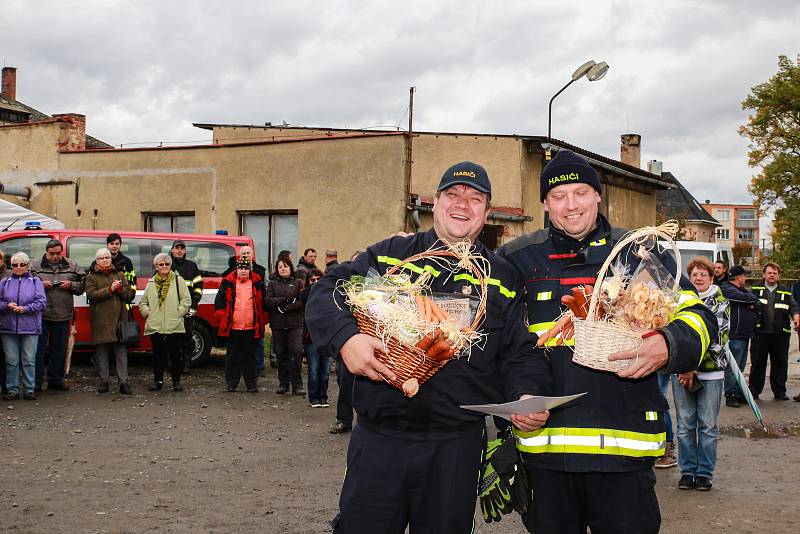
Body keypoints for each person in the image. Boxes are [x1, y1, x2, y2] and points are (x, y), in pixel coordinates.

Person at [306, 161, 550, 533]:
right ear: (434, 203)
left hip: (456, 446)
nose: (462, 204)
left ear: (486, 212)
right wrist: (346, 338)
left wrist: (527, 396)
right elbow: (326, 293)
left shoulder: (502, 277)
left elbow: (520, 354)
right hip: (380, 439)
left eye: (475, 198)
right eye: (452, 194)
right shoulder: (391, 255)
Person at [498, 149, 717, 533]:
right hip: (546, 461)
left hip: (623, 456)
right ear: (545, 204)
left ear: (598, 196)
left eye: (580, 192)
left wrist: (668, 343)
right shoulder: (516, 258)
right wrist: (517, 398)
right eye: (558, 196)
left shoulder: (640, 253)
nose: (571, 206)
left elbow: (700, 319)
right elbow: (500, 341)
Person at [673, 256, 729, 491]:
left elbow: (719, 338)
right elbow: (674, 333)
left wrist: (692, 364)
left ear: (711, 277)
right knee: (685, 425)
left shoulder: (721, 302)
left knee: (707, 426)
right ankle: (687, 472)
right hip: (682, 373)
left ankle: (704, 473)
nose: (698, 278)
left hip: (711, 374)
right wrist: (684, 366)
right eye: (694, 275)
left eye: (703, 275)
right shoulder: (680, 300)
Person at [30, 239, 85, 392]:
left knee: (59, 351)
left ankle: (56, 380)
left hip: (63, 314)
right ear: (46, 252)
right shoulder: (34, 265)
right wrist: (39, 285)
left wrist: (72, 285)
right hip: (40, 315)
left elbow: (83, 285)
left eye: (58, 254)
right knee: (38, 351)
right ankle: (36, 382)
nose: (55, 257)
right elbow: (26, 286)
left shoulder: (72, 265)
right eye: (52, 254)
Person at [84, 247, 136, 395]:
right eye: (101, 258)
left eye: (107, 257)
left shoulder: (119, 273)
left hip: (120, 319)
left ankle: (123, 382)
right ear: (97, 261)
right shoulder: (91, 276)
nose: (105, 260)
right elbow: (92, 295)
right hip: (101, 319)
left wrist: (120, 290)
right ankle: (104, 381)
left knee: (121, 351)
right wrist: (110, 290)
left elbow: (129, 295)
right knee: (101, 352)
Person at [139, 253, 192, 392]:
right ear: (156, 266)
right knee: (158, 356)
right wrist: (148, 314)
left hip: (173, 325)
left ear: (170, 265)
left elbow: (186, 300)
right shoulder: (151, 283)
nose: (164, 266)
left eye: (167, 264)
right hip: (156, 325)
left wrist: (178, 313)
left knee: (175, 355)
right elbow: (143, 303)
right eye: (161, 264)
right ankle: (158, 381)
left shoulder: (178, 280)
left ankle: (176, 381)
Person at [748, 262, 800, 401]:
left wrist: (796, 318)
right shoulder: (755, 289)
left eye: (774, 273)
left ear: (778, 275)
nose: (772, 275)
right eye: (769, 273)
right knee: (758, 363)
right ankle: (754, 390)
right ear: (764, 274)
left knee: (780, 363)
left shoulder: (786, 291)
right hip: (760, 334)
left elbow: (793, 306)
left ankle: (779, 391)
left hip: (780, 335)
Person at [215, 257, 267, 393]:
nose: (243, 271)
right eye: (240, 268)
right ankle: (232, 383)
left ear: (249, 269)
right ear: (236, 269)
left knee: (250, 357)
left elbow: (264, 303)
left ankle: (251, 384)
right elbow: (219, 301)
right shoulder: (228, 282)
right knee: (233, 356)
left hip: (251, 327)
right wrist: (222, 317)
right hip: (233, 327)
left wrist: (264, 319)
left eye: (246, 268)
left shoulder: (257, 282)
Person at [0, 252, 47, 401]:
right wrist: (7, 306)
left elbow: (41, 302)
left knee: (28, 360)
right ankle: (12, 389)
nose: (18, 267)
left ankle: (29, 389)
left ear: (27, 265)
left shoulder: (35, 281)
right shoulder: (4, 282)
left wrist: (25, 309)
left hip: (30, 327)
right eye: (15, 264)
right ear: (11, 266)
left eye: (22, 264)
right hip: (8, 326)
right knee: (11, 360)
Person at [329, 251, 362, 433]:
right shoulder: (342, 287)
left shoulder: (372, 287)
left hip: (368, 340)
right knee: (344, 383)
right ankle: (344, 419)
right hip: (348, 340)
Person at [222, 246, 268, 375]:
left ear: (252, 255)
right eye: (243, 253)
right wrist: (223, 317)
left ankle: (257, 370)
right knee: (233, 352)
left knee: (255, 348)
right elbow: (221, 298)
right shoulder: (231, 276)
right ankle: (233, 379)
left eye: (248, 253)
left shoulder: (260, 273)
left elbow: (263, 299)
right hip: (235, 323)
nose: (246, 255)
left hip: (253, 322)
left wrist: (263, 317)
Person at [265, 258, 305, 395]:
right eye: (280, 267)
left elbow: (300, 302)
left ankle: (297, 384)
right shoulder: (273, 284)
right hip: (278, 324)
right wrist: (284, 301)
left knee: (296, 352)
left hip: (295, 324)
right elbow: (268, 301)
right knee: (281, 354)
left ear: (290, 268)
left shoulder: (298, 283)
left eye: (285, 266)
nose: (283, 269)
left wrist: (286, 308)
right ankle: (283, 383)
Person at [722, 265, 760, 407]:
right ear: (738, 277)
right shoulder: (727, 289)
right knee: (733, 367)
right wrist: (751, 301)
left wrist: (752, 301)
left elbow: (757, 303)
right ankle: (730, 394)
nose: (746, 278)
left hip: (745, 335)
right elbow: (745, 299)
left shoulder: (743, 291)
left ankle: (738, 392)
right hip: (735, 334)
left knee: (741, 366)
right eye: (744, 276)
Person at [170, 240, 202, 374]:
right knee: (171, 338)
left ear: (185, 251)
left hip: (187, 309)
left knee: (187, 337)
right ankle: (172, 364)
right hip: (170, 309)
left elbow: (198, 287)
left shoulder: (192, 266)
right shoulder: (166, 265)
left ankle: (186, 364)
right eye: (177, 248)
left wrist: (194, 306)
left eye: (182, 248)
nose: (179, 251)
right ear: (172, 250)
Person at [301, 268, 328, 407]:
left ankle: (324, 397)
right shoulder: (306, 294)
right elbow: (303, 297)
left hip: (326, 338)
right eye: (312, 280)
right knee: (313, 369)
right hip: (311, 338)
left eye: (318, 279)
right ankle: (314, 397)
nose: (316, 282)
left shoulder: (327, 295)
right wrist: (313, 288)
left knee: (325, 370)